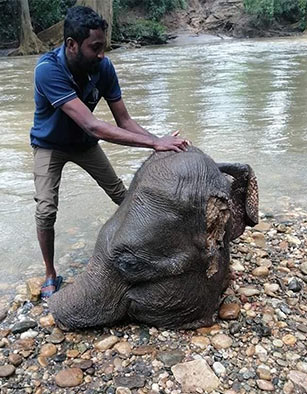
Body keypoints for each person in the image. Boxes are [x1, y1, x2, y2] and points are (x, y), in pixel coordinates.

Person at [31, 6, 189, 299]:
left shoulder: (102, 68)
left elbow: (124, 121)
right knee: (46, 209)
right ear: (71, 45)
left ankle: (148, 246)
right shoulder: (48, 70)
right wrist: (154, 144)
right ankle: (50, 273)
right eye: (95, 48)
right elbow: (93, 125)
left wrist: (162, 141)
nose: (102, 54)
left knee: (121, 194)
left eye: (103, 46)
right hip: (50, 145)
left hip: (84, 144)